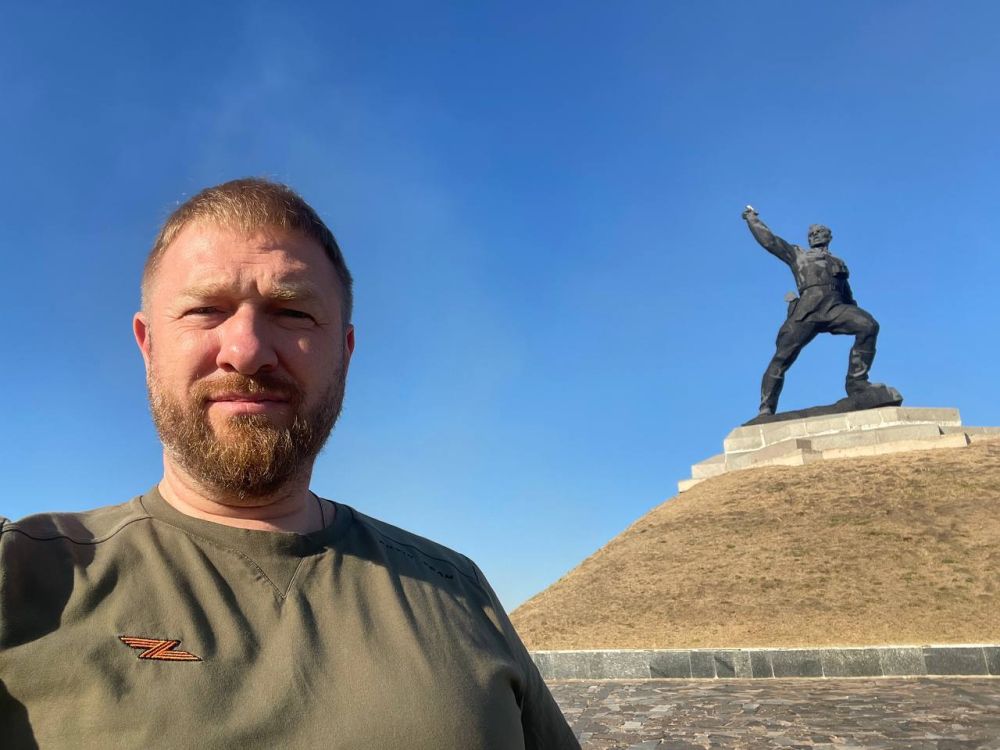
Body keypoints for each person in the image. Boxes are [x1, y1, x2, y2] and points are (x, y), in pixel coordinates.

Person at [0, 178, 579, 749]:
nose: (247, 350)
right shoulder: (20, 573)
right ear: (147, 344)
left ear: (344, 353)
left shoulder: (458, 589)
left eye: (294, 312)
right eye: (205, 309)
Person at [742, 206, 881, 415]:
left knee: (868, 326)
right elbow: (770, 241)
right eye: (811, 234)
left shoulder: (838, 262)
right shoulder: (798, 255)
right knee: (782, 357)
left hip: (835, 308)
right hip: (807, 311)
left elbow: (846, 291)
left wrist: (852, 309)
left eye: (819, 232)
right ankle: (766, 407)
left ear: (829, 236)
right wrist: (752, 219)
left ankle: (857, 382)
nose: (814, 235)